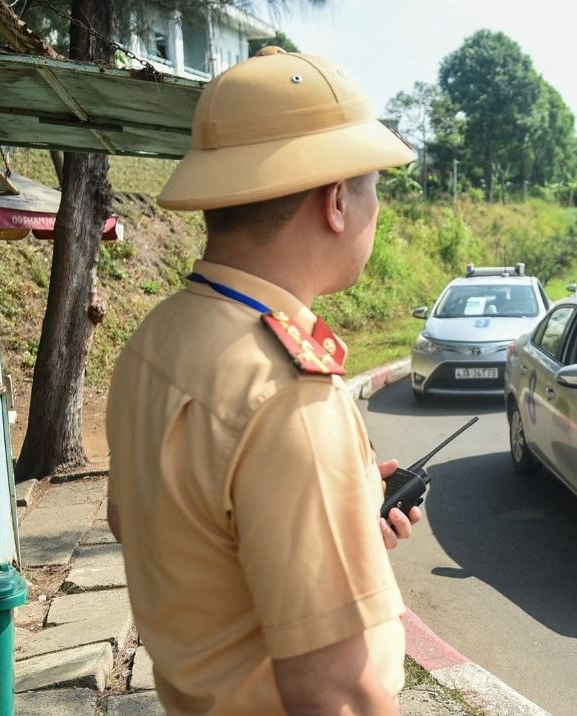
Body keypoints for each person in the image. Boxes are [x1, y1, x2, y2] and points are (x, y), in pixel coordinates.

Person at [105, 47, 420, 715]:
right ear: (338, 201)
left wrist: (333, 530)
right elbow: (335, 694)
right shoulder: (288, 397)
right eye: (374, 188)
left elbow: (136, 520)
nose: (377, 209)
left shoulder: (155, 338)